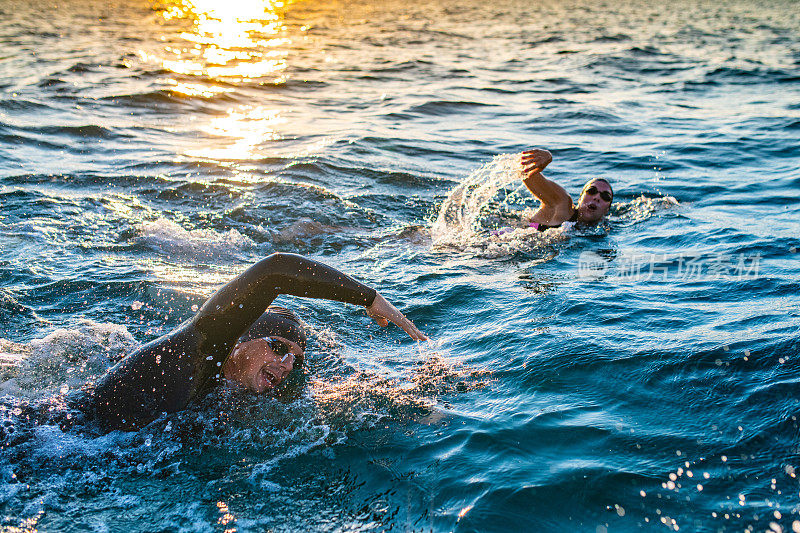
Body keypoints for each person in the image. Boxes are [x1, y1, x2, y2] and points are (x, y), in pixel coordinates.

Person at [85, 252, 427, 432]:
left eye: (295, 358)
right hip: (53, 438)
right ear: (236, 343)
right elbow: (274, 270)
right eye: (278, 347)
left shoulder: (226, 393)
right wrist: (367, 298)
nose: (288, 364)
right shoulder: (195, 352)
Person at [520, 148, 614, 231]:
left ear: (607, 210)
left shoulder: (604, 229)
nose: (597, 197)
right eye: (591, 191)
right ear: (580, 198)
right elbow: (525, 173)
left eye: (605, 196)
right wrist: (546, 158)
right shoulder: (562, 204)